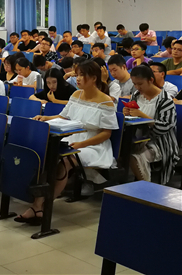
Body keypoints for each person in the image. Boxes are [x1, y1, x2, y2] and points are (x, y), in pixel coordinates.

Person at [16, 61, 118, 224]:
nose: (78, 79)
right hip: (71, 138)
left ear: (93, 78)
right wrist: (46, 118)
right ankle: (37, 205)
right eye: (77, 75)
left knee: (65, 160)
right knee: (47, 155)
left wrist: (82, 145)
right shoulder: (76, 95)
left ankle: (41, 206)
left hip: (93, 145)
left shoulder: (106, 102)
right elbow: (63, 117)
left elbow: (106, 133)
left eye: (82, 75)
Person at [126, 65, 178, 184]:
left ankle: (147, 187)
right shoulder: (136, 95)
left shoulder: (165, 100)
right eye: (134, 84)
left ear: (150, 80)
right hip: (138, 138)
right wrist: (127, 113)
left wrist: (143, 117)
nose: (137, 87)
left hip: (160, 142)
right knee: (123, 151)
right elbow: (132, 119)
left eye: (140, 84)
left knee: (135, 157)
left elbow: (165, 126)